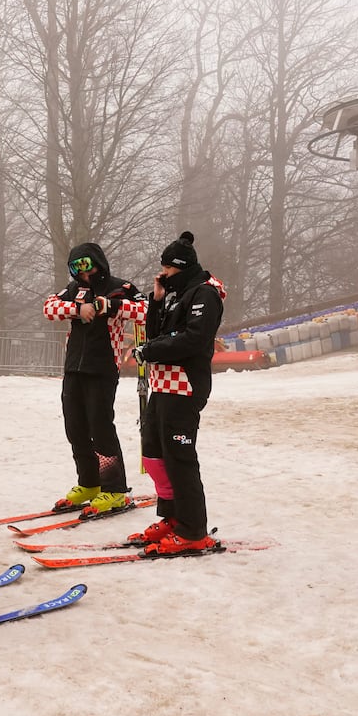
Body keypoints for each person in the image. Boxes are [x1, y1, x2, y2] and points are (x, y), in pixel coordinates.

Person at [129, 231, 226, 554]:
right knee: (154, 453)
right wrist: (156, 301)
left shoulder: (204, 294)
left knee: (180, 457)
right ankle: (171, 517)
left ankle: (193, 529)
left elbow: (194, 338)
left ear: (181, 268)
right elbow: (155, 333)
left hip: (185, 385)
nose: (162, 276)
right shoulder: (176, 293)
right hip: (163, 384)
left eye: (166, 272)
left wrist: (151, 350)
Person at [43, 243, 148, 514]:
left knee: (100, 427)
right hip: (74, 368)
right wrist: (77, 310)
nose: (82, 271)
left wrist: (108, 306)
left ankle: (114, 489)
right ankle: (89, 483)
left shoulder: (119, 287)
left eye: (86, 265)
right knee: (75, 427)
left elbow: (145, 311)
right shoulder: (73, 289)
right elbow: (49, 307)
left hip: (102, 368)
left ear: (98, 263)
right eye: (76, 266)